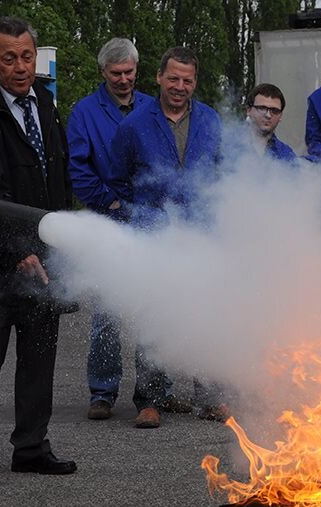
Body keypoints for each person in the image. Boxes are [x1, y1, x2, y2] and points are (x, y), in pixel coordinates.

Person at [0, 16, 77, 483]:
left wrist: (59, 241)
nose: (20, 67)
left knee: (39, 355)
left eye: (27, 56)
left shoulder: (44, 104)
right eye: (9, 59)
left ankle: (31, 446)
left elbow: (56, 178)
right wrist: (18, 250)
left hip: (44, 260)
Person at [67, 38, 187, 423]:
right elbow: (79, 169)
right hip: (109, 220)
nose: (123, 80)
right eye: (116, 74)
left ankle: (157, 392)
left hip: (153, 223)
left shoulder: (156, 108)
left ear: (138, 70)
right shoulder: (85, 113)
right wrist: (111, 201)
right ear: (102, 72)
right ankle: (102, 391)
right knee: (107, 310)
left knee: (156, 309)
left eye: (129, 73)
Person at [109, 46, 226, 427]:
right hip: (153, 236)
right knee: (153, 318)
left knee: (206, 315)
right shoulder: (133, 126)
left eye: (187, 80)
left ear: (195, 82)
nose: (179, 86)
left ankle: (209, 396)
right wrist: (139, 217)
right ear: (158, 77)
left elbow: (224, 174)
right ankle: (151, 399)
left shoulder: (210, 121)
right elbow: (118, 181)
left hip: (201, 235)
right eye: (173, 78)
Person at [246, 83, 297, 162]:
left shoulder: (286, 155)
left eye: (275, 111)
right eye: (262, 108)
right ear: (249, 110)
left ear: (280, 116)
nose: (268, 115)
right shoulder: (228, 145)